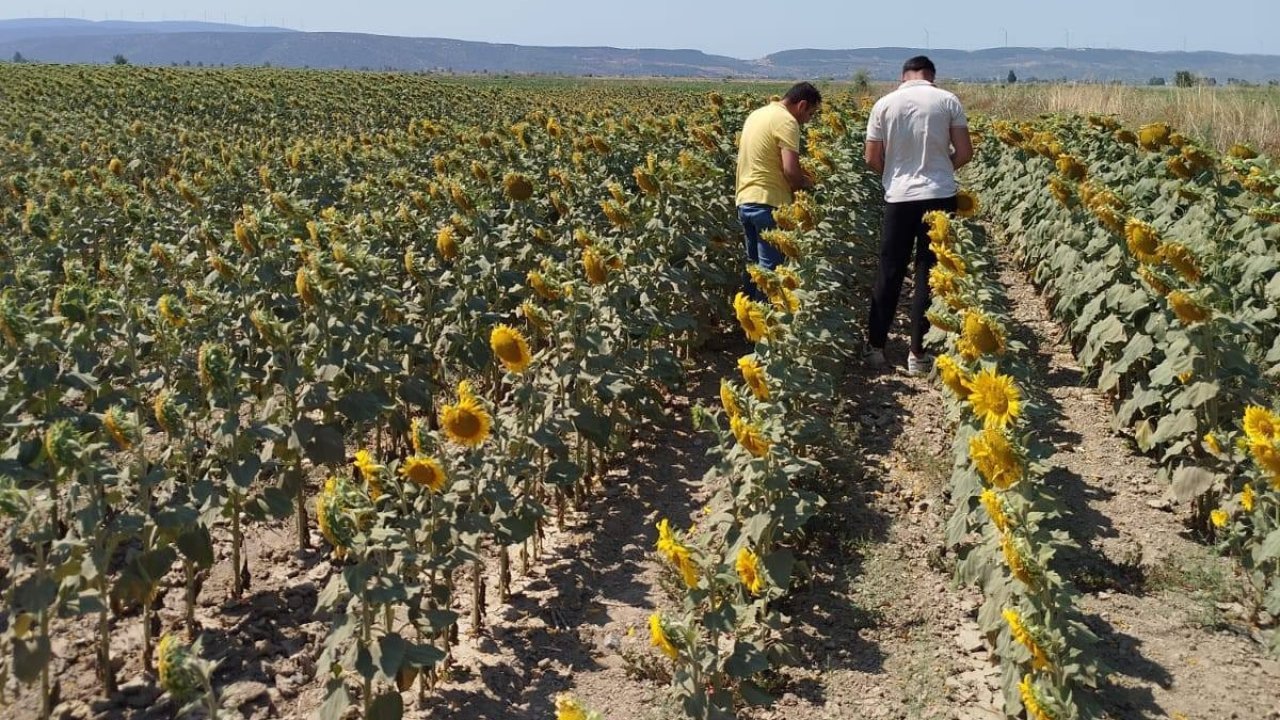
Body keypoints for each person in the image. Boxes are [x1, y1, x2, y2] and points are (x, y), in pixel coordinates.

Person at [864, 55, 972, 375]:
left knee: (890, 270)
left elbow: (871, 157)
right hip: (939, 196)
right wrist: (939, 171)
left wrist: (894, 175)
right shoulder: (948, 100)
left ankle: (876, 350)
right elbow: (965, 152)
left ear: (903, 76)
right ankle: (917, 354)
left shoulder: (884, 104)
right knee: (929, 273)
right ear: (932, 77)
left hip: (899, 198)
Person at [735, 81, 821, 299]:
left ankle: (751, 322)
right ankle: (769, 328)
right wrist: (806, 186)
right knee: (771, 275)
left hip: (745, 199)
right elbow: (790, 171)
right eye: (810, 114)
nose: (807, 121)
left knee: (755, 270)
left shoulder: (758, 114)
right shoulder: (787, 121)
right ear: (801, 105)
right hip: (769, 204)